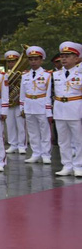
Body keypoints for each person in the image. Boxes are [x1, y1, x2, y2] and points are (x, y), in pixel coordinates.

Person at [52, 41, 82, 177]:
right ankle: (67, 164)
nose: (64, 59)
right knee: (63, 140)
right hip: (59, 109)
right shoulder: (55, 74)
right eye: (62, 56)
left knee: (78, 139)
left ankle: (78, 165)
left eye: (68, 56)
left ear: (76, 58)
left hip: (76, 108)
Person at [21, 46, 53, 165]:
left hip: (41, 105)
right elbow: (22, 94)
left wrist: (48, 110)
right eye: (31, 59)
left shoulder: (47, 75)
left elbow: (49, 93)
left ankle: (46, 154)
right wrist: (22, 107)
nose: (33, 62)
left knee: (44, 131)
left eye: (36, 59)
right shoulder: (25, 75)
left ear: (41, 60)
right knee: (33, 132)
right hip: (29, 105)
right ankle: (35, 153)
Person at [2, 50, 28, 155]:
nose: (11, 64)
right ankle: (13, 144)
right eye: (9, 61)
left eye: (13, 61)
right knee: (10, 124)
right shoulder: (4, 74)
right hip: (8, 103)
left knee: (20, 125)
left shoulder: (24, 74)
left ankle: (22, 145)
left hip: (18, 102)